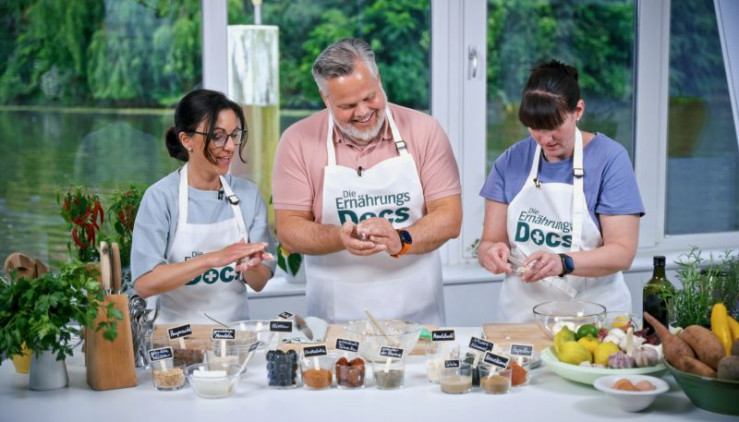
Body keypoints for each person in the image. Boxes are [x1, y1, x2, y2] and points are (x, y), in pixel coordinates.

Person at [272, 38, 462, 325]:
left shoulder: (425, 130)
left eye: (369, 97)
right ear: (325, 99)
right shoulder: (297, 141)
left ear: (379, 79)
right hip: (335, 322)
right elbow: (288, 229)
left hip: (418, 316)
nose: (362, 112)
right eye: (348, 105)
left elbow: (449, 217)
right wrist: (339, 237)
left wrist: (401, 239)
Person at [477, 60, 644, 322]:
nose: (545, 139)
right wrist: (491, 253)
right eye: (535, 127)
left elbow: (622, 252)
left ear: (578, 110)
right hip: (522, 319)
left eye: (554, 126)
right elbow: (489, 242)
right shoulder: (510, 161)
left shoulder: (609, 159)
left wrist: (563, 262)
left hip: (594, 317)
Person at [131, 89, 275, 324]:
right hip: (174, 338)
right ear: (186, 139)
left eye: (235, 135)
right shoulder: (160, 198)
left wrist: (250, 264)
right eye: (218, 136)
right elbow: (145, 284)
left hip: (234, 336)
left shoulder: (248, 195)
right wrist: (212, 259)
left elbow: (259, 283)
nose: (230, 147)